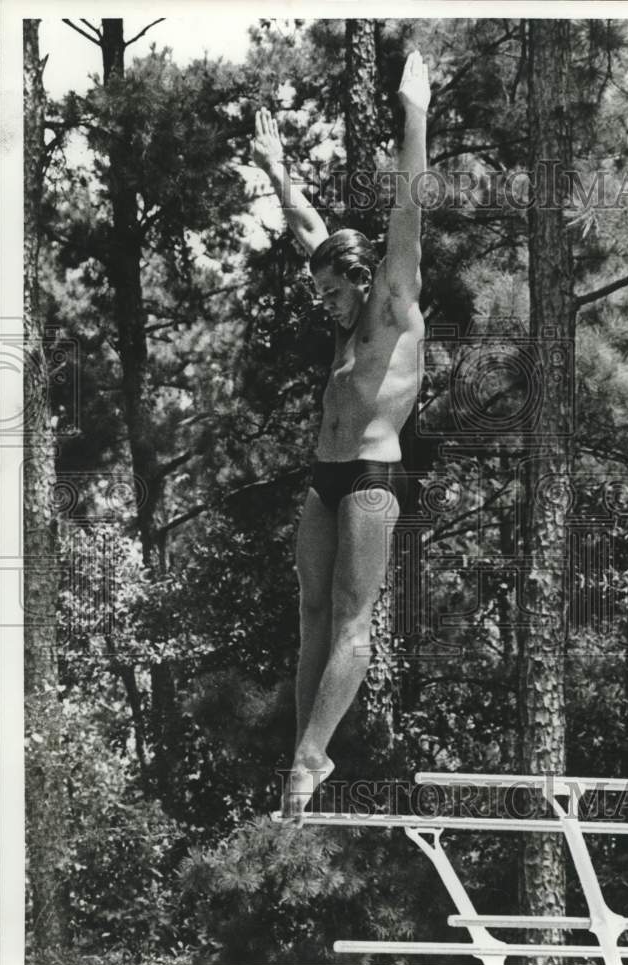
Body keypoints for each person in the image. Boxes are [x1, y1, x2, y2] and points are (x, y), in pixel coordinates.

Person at [252, 51, 431, 825]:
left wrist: (414, 115)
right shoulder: (343, 303)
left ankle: (308, 757)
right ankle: (306, 754)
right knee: (312, 618)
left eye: (332, 291)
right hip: (325, 477)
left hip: (371, 480)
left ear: (366, 280)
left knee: (353, 617)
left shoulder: (392, 301)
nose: (323, 303)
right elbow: (308, 230)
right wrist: (276, 170)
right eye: (317, 291)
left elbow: (406, 211)